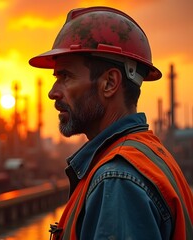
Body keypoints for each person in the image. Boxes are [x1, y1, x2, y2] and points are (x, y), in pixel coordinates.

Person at [29, 6, 193, 240]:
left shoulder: (117, 181)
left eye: (66, 76)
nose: (53, 92)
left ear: (109, 83)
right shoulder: (149, 154)